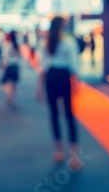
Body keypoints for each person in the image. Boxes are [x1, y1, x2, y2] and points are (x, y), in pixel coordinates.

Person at [37, 16, 81, 170]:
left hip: (51, 78)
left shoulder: (45, 43)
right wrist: (76, 84)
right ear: (63, 26)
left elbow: (42, 68)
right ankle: (75, 158)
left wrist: (39, 87)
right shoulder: (69, 42)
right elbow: (74, 65)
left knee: (54, 114)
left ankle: (59, 151)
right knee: (69, 115)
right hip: (64, 78)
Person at [1, 31, 20, 106]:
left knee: (5, 82)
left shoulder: (6, 45)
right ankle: (12, 97)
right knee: (14, 83)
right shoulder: (16, 45)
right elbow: (18, 55)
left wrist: (3, 65)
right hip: (15, 65)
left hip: (8, 65)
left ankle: (9, 95)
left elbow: (4, 56)